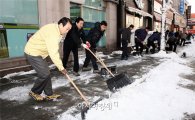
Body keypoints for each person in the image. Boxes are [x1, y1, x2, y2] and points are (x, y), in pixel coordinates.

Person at [24, 17, 72, 101]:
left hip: (39, 53)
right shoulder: (53, 33)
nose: (67, 31)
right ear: (61, 25)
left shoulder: (56, 30)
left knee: (46, 73)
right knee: (44, 74)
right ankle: (34, 92)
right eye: (67, 29)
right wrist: (61, 67)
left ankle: (49, 94)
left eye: (69, 30)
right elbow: (53, 52)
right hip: (33, 52)